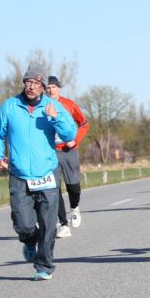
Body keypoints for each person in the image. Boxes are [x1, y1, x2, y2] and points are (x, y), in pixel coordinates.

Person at [0, 63, 77, 281]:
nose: (31, 86)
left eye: (36, 83)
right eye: (28, 82)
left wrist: (56, 117)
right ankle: (30, 240)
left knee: (48, 225)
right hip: (19, 174)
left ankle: (44, 267)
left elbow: (70, 135)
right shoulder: (10, 107)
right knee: (23, 223)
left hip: (47, 172)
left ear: (43, 87)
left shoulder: (52, 106)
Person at [45, 76, 89, 239]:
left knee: (73, 187)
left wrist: (74, 140)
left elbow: (84, 124)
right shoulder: (42, 106)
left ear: (59, 89)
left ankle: (75, 208)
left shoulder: (69, 105)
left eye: (53, 87)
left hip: (68, 150)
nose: (50, 90)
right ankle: (63, 224)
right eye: (48, 88)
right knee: (54, 189)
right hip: (51, 152)